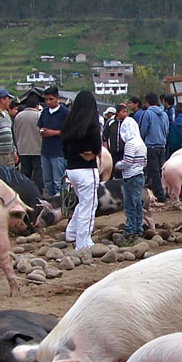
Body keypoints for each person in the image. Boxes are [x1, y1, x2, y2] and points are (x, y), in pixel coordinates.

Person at [61, 91, 102, 250]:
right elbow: (97, 147)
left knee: (82, 202)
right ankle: (83, 242)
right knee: (89, 206)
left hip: (71, 169)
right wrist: (90, 153)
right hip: (87, 170)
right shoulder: (91, 124)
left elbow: (64, 150)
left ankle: (71, 232)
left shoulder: (68, 123)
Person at [113, 117, 147, 241]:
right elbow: (144, 161)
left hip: (130, 177)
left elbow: (127, 162)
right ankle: (139, 228)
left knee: (129, 205)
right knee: (137, 203)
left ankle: (130, 230)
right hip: (139, 175)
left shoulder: (130, 143)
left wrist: (117, 165)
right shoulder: (141, 142)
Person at [38, 86, 69, 196]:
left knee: (59, 182)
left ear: (57, 98)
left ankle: (62, 205)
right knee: (47, 182)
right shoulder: (45, 112)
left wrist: (54, 132)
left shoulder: (65, 112)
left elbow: (69, 131)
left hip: (58, 151)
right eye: (46, 99)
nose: (48, 102)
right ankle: (51, 203)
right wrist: (42, 132)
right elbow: (40, 126)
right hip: (45, 150)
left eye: (51, 99)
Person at [139, 93, 169, 203]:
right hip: (162, 145)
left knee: (154, 171)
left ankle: (159, 195)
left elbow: (143, 130)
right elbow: (166, 129)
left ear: (147, 102)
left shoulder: (147, 114)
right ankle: (161, 191)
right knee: (160, 171)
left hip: (150, 146)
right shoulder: (164, 114)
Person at [15, 93, 43, 186]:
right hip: (37, 149)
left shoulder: (18, 116)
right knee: (38, 174)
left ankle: (24, 194)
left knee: (25, 173)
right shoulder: (39, 115)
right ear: (37, 105)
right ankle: (37, 194)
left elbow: (15, 131)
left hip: (23, 149)